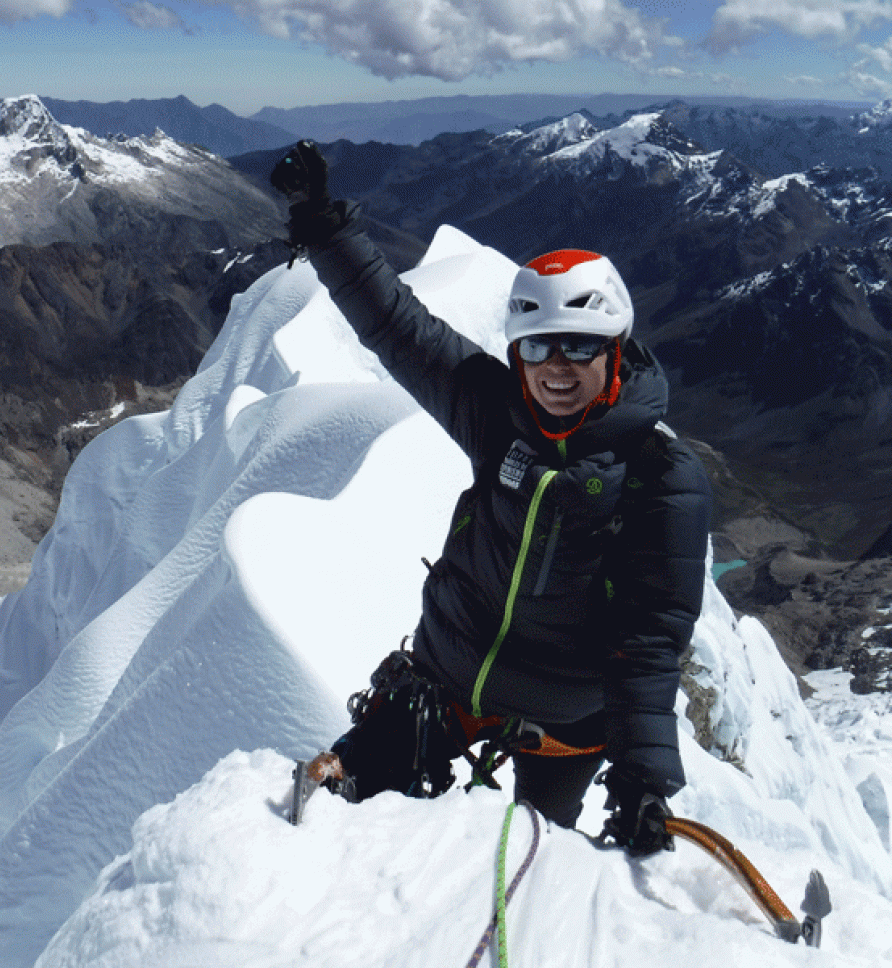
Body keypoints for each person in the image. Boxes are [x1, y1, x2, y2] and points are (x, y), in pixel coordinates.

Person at [270, 141, 712, 855]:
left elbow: (651, 640)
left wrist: (644, 779)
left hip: (567, 715)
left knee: (540, 862)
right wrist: (321, 223)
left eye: (579, 345)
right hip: (450, 675)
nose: (556, 368)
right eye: (538, 347)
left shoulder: (662, 475)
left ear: (616, 350)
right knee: (336, 827)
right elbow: (397, 327)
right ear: (517, 353)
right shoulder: (495, 410)